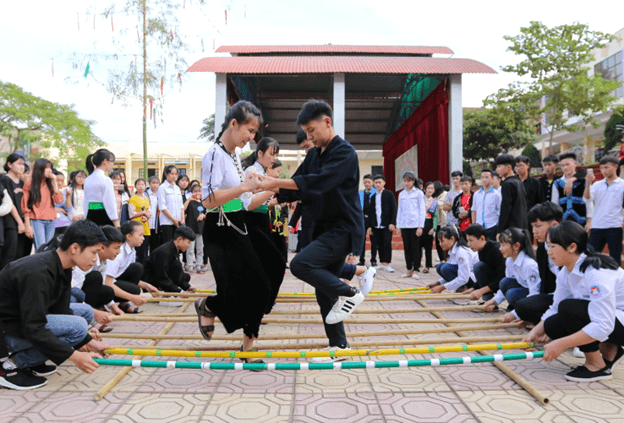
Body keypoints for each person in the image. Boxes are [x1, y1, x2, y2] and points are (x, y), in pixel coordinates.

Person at [262, 99, 366, 359]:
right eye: (306, 132)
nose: (309, 136)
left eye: (311, 130)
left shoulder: (345, 153)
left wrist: (272, 181)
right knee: (323, 294)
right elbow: (296, 185)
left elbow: (317, 182)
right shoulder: (313, 155)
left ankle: (351, 293)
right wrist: (268, 190)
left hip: (343, 228)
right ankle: (339, 346)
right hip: (322, 227)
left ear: (327, 122)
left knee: (300, 264)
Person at [195, 100, 279, 363]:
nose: (252, 138)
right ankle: (215, 311)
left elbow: (245, 203)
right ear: (233, 124)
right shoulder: (214, 154)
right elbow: (208, 200)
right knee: (252, 287)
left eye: (255, 133)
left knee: (273, 267)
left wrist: (267, 189)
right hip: (220, 229)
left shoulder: (233, 158)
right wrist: (244, 187)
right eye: (250, 131)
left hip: (238, 224)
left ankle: (213, 308)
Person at [0, 220, 112, 390]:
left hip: (19, 322)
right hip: (6, 333)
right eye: (94, 252)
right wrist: (74, 356)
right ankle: (10, 367)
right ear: (74, 248)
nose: (95, 260)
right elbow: (34, 327)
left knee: (82, 312)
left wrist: (90, 343)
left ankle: (31, 360)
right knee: (78, 325)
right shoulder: (37, 272)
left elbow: (62, 311)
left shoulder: (63, 266)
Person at [524, 221, 624, 382]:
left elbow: (603, 324)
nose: (549, 252)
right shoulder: (566, 271)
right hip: (613, 319)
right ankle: (610, 349)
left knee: (570, 308)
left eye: (553, 247)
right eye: (548, 247)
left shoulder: (596, 273)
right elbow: (555, 307)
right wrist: (534, 332)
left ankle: (597, 365)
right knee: (552, 324)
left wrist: (561, 344)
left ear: (572, 247)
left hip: (616, 321)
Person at [512, 202, 563, 325]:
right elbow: (544, 285)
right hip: (556, 296)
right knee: (523, 307)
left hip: (575, 299)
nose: (534, 231)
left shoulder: (567, 248)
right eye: (532, 226)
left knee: (567, 308)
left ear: (554, 225)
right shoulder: (541, 249)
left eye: (538, 226)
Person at [483, 227, 541, 321]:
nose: (500, 248)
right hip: (523, 290)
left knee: (512, 294)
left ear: (516, 246)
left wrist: (516, 314)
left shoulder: (529, 265)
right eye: (500, 245)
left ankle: (527, 315)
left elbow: (535, 293)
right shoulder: (509, 260)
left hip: (533, 297)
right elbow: (505, 286)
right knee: (504, 282)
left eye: (503, 245)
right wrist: (495, 300)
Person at [105, 221, 159, 314]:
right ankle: (101, 306)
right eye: (140, 235)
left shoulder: (132, 250)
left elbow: (128, 275)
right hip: (106, 285)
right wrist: (132, 297)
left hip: (114, 281)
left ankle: (124, 304)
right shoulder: (118, 252)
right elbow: (107, 282)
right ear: (129, 236)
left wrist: (147, 286)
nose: (143, 238)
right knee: (135, 289)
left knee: (137, 268)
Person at [72, 226, 124, 316]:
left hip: (80, 292)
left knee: (108, 292)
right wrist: (94, 314)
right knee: (95, 277)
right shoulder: (83, 260)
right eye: (116, 248)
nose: (119, 252)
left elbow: (102, 285)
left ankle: (95, 310)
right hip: (74, 296)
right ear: (102, 247)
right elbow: (75, 292)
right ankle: (88, 316)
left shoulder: (104, 261)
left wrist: (114, 307)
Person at [584, 156, 624, 266]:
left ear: (616, 167)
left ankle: (616, 281)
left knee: (615, 258)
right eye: (601, 168)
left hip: (614, 226)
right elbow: (587, 198)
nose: (603, 171)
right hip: (597, 225)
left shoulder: (622, 185)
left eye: (606, 167)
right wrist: (588, 184)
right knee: (591, 257)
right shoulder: (597, 185)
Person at [22, 159, 63, 249]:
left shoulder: (51, 184)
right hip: (37, 220)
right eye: (47, 168)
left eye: (51, 168)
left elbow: (59, 200)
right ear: (40, 169)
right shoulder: (29, 184)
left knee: (49, 249)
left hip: (51, 220)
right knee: (41, 248)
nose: (50, 170)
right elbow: (25, 206)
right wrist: (27, 225)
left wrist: (55, 183)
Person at [143, 225, 195, 293]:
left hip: (160, 277)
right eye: (188, 242)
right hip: (151, 281)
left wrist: (187, 287)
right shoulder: (164, 251)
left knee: (185, 276)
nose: (189, 245)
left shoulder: (174, 249)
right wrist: (179, 292)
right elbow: (161, 276)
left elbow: (177, 272)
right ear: (179, 239)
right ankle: (161, 289)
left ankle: (168, 288)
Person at [464, 224, 506, 303]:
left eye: (471, 240)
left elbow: (502, 276)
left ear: (482, 238)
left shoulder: (497, 250)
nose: (468, 244)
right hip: (496, 280)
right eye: (467, 240)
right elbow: (484, 274)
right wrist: (474, 288)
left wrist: (481, 291)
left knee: (478, 266)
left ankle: (493, 302)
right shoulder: (481, 250)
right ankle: (488, 300)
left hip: (505, 281)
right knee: (479, 267)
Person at [0, 154, 29, 269]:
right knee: (9, 254)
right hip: (10, 223)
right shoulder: (4, 180)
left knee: (20, 254)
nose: (22, 167)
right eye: (19, 164)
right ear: (9, 164)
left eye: (23, 164)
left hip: (22, 222)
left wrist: (25, 223)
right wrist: (20, 222)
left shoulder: (22, 183)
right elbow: (9, 203)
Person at [429, 226, 478, 293]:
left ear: (452, 239)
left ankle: (464, 288)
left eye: (442, 241)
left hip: (475, 280)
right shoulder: (453, 251)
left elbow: (463, 278)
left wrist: (442, 287)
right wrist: (438, 283)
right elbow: (453, 273)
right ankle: (462, 287)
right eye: (439, 241)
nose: (440, 244)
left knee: (445, 268)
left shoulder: (461, 252)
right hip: (468, 276)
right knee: (440, 267)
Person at [396, 171, 425, 279]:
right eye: (405, 181)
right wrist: (398, 226)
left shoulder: (418, 193)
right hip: (404, 225)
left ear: (413, 181)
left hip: (415, 224)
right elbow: (400, 210)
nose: (407, 183)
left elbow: (422, 210)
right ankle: (409, 269)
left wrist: (420, 226)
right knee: (407, 248)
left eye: (409, 181)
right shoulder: (401, 194)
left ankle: (416, 270)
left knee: (415, 248)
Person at [552, 153, 592, 226]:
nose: (565, 167)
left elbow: (589, 202)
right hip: (563, 222)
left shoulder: (584, 181)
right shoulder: (557, 183)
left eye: (567, 164)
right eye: (563, 165)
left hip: (581, 220)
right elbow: (554, 204)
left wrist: (589, 222)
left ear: (575, 163)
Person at [368, 175, 397, 272]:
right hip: (376, 224)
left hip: (387, 224)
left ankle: (387, 263)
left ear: (384, 183)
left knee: (387, 243)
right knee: (379, 243)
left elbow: (393, 209)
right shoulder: (372, 197)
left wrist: (393, 223)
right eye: (376, 182)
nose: (377, 184)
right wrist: (370, 226)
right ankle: (382, 263)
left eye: (379, 182)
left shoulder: (389, 194)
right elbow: (371, 212)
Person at [84, 149, 119, 227]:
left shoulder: (87, 179)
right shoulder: (106, 180)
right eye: (112, 161)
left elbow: (85, 202)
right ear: (105, 161)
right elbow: (110, 202)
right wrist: (116, 222)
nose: (112, 164)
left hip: (90, 215)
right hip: (104, 215)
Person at [495, 154, 528, 233]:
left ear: (509, 167)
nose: (497, 170)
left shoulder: (508, 184)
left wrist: (500, 231)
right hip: (522, 226)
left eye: (499, 166)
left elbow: (505, 209)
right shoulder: (518, 182)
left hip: (511, 228)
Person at [471, 169, 501, 240]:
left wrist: (499, 229)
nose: (484, 179)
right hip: (479, 227)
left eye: (487, 177)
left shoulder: (496, 195)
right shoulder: (476, 194)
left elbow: (500, 212)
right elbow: (473, 210)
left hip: (492, 226)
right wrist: (473, 224)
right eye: (482, 177)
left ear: (492, 178)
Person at [157, 165, 184, 244]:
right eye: (172, 174)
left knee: (177, 246)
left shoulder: (177, 188)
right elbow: (162, 206)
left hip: (178, 222)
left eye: (176, 174)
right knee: (168, 245)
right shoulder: (162, 188)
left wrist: (182, 220)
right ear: (166, 174)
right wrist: (173, 219)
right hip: (167, 223)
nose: (174, 176)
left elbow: (181, 205)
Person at [129, 178, 152, 264]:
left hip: (145, 227)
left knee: (144, 251)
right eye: (139, 184)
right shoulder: (133, 198)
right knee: (137, 251)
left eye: (143, 184)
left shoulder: (146, 199)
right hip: (136, 226)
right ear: (135, 186)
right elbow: (131, 214)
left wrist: (147, 217)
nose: (141, 186)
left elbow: (149, 212)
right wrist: (143, 213)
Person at [184, 184, 207, 273]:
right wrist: (189, 199)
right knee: (190, 249)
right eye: (195, 191)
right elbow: (183, 208)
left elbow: (207, 212)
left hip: (201, 229)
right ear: (192, 192)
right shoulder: (190, 201)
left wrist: (203, 216)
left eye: (199, 191)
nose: (197, 193)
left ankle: (199, 266)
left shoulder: (204, 202)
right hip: (191, 228)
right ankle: (190, 266)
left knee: (200, 249)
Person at [358, 174, 378, 267]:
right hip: (362, 219)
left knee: (374, 241)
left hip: (372, 219)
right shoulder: (360, 193)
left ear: (372, 183)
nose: (367, 184)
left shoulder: (376, 193)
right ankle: (361, 259)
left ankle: (373, 259)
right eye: (365, 182)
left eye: (368, 182)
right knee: (361, 241)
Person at [421, 182, 439, 274]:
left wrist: (434, 228)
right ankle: (415, 265)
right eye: (428, 188)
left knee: (428, 248)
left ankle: (427, 266)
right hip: (419, 225)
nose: (430, 190)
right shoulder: (420, 199)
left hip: (429, 225)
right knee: (416, 247)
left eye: (432, 188)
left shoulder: (435, 202)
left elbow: (436, 216)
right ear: (424, 189)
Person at [53, 170, 72, 238]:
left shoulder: (62, 193)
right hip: (52, 224)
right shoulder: (45, 193)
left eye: (62, 181)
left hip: (65, 224)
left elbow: (68, 209)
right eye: (58, 180)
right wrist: (61, 210)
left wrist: (67, 196)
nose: (60, 183)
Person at [433, 181, 448, 262]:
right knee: (438, 242)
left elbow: (440, 205)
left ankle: (446, 259)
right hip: (437, 223)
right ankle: (442, 260)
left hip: (445, 222)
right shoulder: (435, 197)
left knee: (445, 241)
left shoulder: (445, 194)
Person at [147, 176, 160, 253]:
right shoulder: (145, 194)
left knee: (154, 246)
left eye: (157, 183)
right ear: (149, 184)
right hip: (147, 223)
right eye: (153, 183)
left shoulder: (160, 194)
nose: (155, 185)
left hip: (156, 225)